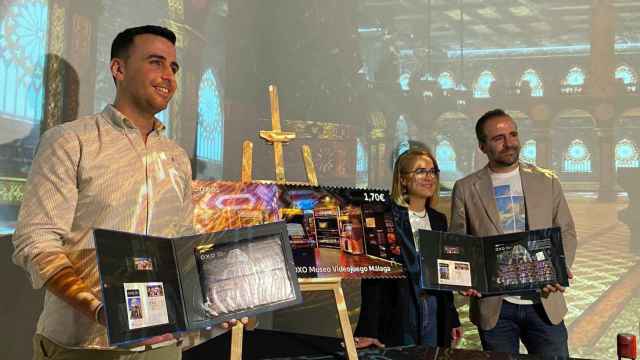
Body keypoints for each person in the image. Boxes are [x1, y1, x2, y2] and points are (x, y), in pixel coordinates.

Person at [12, 25, 241, 360]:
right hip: (85, 346)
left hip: (163, 345)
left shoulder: (176, 158)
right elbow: (37, 242)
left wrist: (220, 298)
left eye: (173, 67)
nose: (168, 76)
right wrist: (102, 311)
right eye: (155, 62)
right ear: (118, 69)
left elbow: (182, 244)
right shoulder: (71, 141)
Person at [450, 109, 577, 357]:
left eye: (513, 134)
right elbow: (459, 243)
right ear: (482, 146)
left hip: (544, 302)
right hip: (495, 306)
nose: (509, 143)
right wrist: (463, 280)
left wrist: (558, 270)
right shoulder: (466, 188)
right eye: (498, 138)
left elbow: (567, 232)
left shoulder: (547, 180)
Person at [354, 147, 462, 349]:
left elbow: (443, 274)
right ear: (402, 180)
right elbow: (374, 278)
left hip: (435, 308)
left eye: (432, 171)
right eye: (420, 171)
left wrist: (452, 318)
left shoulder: (439, 220)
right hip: (400, 309)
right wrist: (368, 328)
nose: (429, 177)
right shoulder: (384, 217)